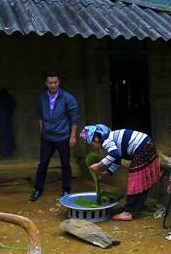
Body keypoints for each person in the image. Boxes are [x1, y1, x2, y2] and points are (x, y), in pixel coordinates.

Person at [81, 124, 160, 221]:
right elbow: (117, 159)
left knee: (135, 181)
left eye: (92, 144)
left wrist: (98, 165)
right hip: (147, 144)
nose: (94, 147)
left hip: (142, 148)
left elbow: (114, 154)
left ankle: (128, 212)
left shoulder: (106, 140)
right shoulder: (111, 138)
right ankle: (137, 207)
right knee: (142, 181)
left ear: (96, 139)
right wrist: (107, 172)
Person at [30, 71, 79, 202]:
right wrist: (41, 129)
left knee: (65, 164)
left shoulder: (67, 97)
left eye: (55, 82)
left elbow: (74, 117)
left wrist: (72, 136)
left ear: (59, 82)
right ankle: (38, 189)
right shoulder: (42, 97)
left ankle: (66, 189)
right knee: (43, 164)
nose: (52, 85)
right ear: (46, 83)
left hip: (63, 136)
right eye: (50, 83)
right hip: (47, 137)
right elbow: (40, 115)